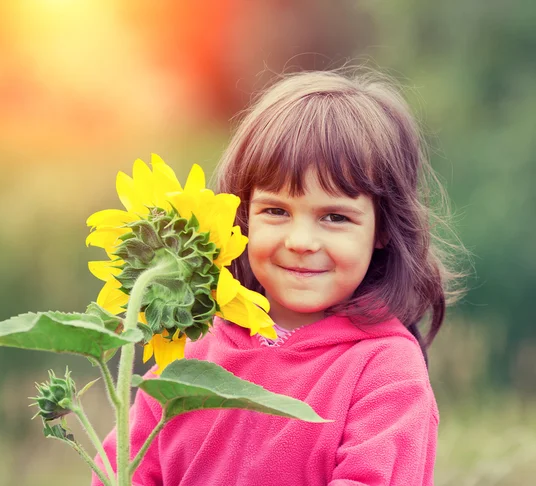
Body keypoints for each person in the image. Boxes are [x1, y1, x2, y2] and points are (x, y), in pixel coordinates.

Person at [92, 69, 466, 485]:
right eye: (276, 210)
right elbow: (121, 472)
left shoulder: (384, 369)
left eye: (335, 217)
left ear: (382, 230)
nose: (301, 240)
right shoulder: (190, 350)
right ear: (242, 215)